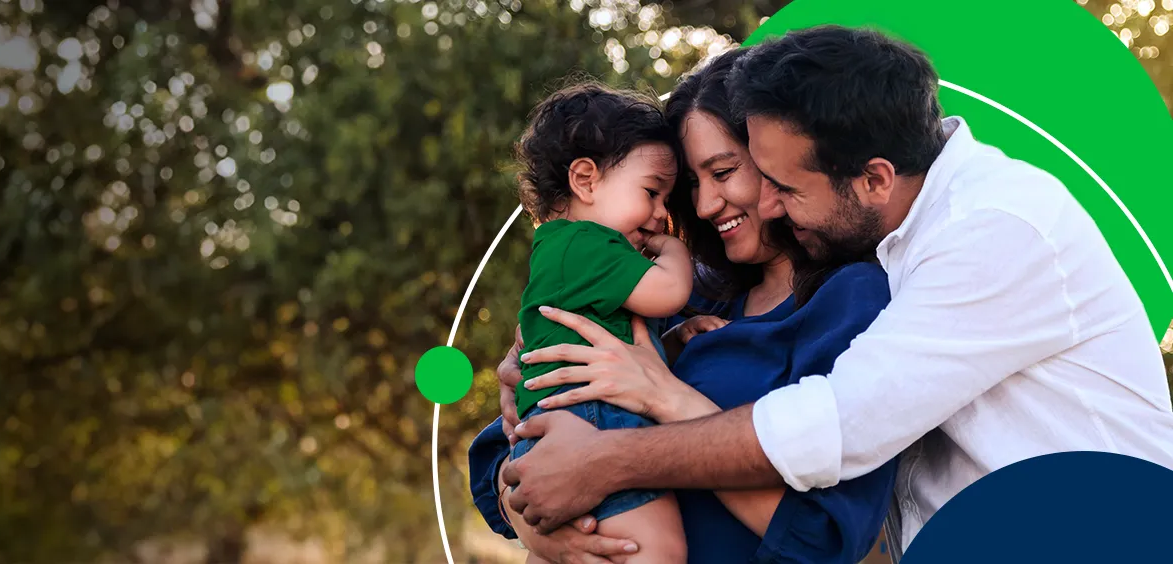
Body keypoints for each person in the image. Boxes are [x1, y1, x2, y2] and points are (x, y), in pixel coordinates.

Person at [496, 25, 1173, 562]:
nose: (760, 202)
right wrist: (537, 500)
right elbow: (515, 450)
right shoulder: (714, 288)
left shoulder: (993, 231)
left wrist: (609, 457)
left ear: (874, 179)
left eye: (778, 183)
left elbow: (837, 430)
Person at [468, 48, 898, 563]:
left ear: (776, 158)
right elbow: (500, 459)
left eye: (722, 171)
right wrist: (550, 530)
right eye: (690, 184)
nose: (702, 205)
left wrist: (661, 395)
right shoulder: (680, 292)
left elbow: (826, 539)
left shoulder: (856, 300)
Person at [502, 80, 693, 563]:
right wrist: (674, 252)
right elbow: (670, 290)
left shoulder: (563, 251)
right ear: (585, 180)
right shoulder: (590, 244)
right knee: (657, 550)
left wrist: (674, 340)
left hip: (553, 426)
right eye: (652, 193)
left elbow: (621, 344)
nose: (659, 216)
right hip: (592, 422)